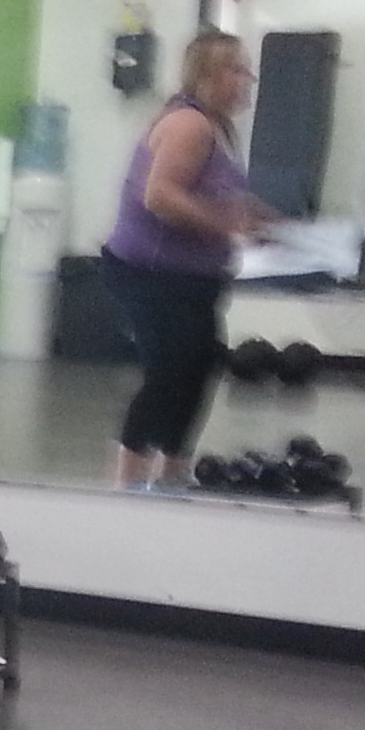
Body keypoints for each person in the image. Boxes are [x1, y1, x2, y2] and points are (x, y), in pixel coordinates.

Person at [103, 32, 269, 490]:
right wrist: (227, 224)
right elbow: (160, 196)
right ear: (208, 76)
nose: (248, 78)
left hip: (193, 277)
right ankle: (126, 485)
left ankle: (173, 474)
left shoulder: (219, 128)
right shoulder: (188, 125)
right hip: (151, 275)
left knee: (198, 369)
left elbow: (213, 193)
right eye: (237, 68)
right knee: (169, 372)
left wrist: (255, 216)